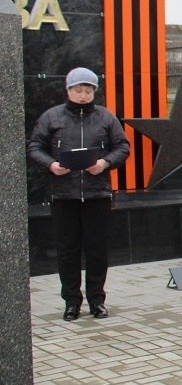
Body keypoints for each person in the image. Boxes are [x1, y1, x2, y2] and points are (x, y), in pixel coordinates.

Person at [28, 67, 130, 321]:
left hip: (97, 194)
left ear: (94, 91)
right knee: (67, 250)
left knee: (97, 250)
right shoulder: (52, 117)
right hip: (64, 195)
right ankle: (71, 301)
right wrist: (51, 164)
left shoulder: (106, 118)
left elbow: (122, 146)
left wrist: (105, 163)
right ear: (68, 90)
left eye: (88, 91)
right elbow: (35, 146)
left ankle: (97, 300)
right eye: (78, 90)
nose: (83, 95)